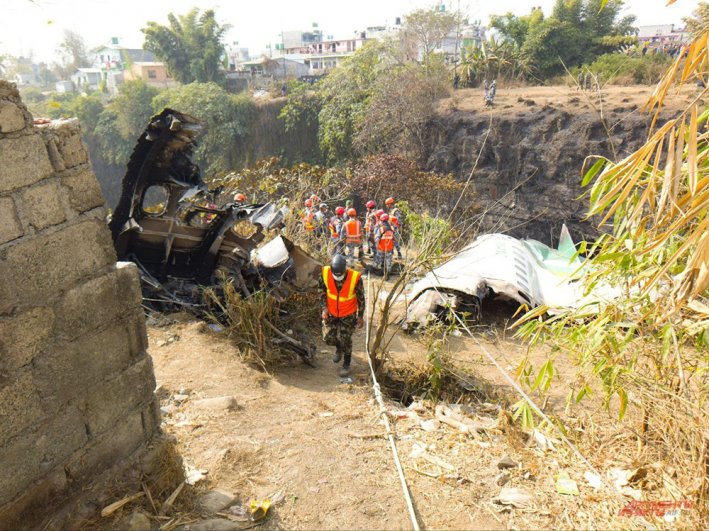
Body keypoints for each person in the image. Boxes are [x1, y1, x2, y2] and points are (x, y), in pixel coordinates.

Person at [320, 254, 365, 377]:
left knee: (346, 339)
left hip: (348, 313)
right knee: (328, 338)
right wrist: (324, 308)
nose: (338, 278)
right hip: (331, 311)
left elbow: (361, 298)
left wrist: (360, 316)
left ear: (345, 269)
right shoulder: (325, 273)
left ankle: (346, 363)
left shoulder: (355, 277)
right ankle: (338, 348)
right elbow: (321, 291)